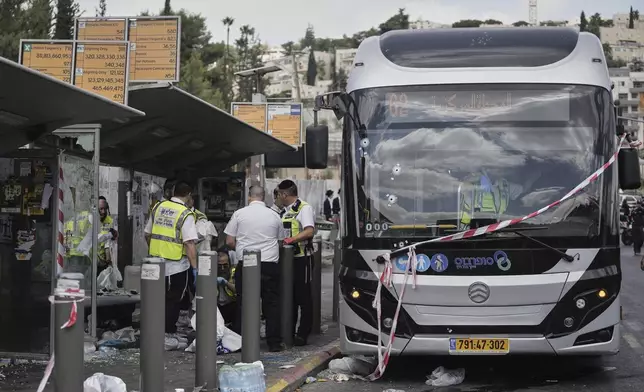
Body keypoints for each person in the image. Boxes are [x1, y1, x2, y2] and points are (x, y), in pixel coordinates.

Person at [224, 185, 284, 351]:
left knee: (245, 302)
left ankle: (242, 341)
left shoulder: (239, 214)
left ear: (249, 197)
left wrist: (241, 248)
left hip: (247, 264)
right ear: (263, 197)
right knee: (271, 304)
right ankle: (274, 343)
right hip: (270, 264)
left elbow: (229, 241)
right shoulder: (274, 216)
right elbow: (280, 241)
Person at [144, 180, 198, 336]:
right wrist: (195, 268)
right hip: (176, 266)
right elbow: (189, 243)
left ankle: (153, 330)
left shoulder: (158, 207)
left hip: (155, 263)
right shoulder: (185, 213)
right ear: (188, 195)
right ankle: (167, 331)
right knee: (173, 299)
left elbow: (147, 234)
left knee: (156, 298)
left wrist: (156, 249)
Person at [277, 179, 315, 346]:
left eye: (279, 194)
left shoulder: (304, 208)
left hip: (302, 259)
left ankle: (302, 334)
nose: (278, 197)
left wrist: (291, 240)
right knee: (289, 297)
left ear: (285, 194)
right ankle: (288, 331)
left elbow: (309, 231)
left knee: (303, 297)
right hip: (287, 260)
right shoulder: (284, 211)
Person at [216, 248, 237, 328]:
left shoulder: (234, 272)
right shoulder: (210, 274)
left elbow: (238, 290)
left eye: (225, 265)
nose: (222, 268)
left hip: (231, 306)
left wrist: (226, 283)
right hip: (216, 308)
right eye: (219, 265)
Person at [97, 196, 118, 275]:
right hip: (92, 260)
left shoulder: (110, 221)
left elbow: (111, 241)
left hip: (104, 261)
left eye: (105, 209)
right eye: (101, 209)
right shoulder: (91, 220)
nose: (103, 211)